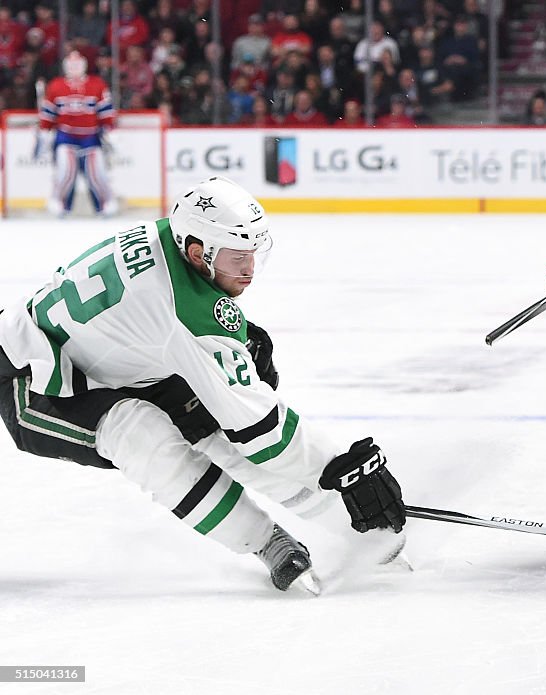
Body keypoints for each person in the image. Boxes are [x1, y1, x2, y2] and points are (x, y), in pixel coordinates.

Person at [0, 176, 407, 593]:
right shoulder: (185, 311)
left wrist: (234, 338)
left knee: (216, 432)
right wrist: (341, 468)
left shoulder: (178, 240)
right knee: (143, 439)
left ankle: (366, 540)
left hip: (123, 363)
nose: (249, 269)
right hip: (33, 379)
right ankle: (268, 542)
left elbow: (160, 315)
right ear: (197, 253)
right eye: (237, 258)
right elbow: (262, 433)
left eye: (253, 254)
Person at [36, 50, 117, 217]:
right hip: (66, 135)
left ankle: (105, 203)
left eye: (77, 64)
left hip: (91, 136)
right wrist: (44, 132)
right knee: (65, 172)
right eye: (71, 64)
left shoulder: (97, 84)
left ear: (84, 66)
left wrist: (110, 130)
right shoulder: (56, 85)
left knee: (97, 174)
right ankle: (59, 202)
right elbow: (48, 113)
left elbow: (105, 111)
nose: (74, 67)